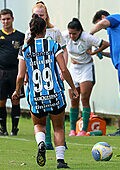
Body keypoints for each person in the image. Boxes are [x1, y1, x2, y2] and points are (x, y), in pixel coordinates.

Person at [12, 14, 78, 168]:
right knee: (59, 127)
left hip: (36, 96)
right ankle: (60, 161)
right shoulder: (53, 45)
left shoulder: (25, 49)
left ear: (31, 30)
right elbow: (63, 69)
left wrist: (17, 91)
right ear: (45, 29)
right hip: (55, 94)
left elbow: (21, 75)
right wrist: (73, 88)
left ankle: (41, 143)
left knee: (39, 125)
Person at [25, 1, 69, 150]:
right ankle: (50, 143)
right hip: (42, 79)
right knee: (52, 110)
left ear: (46, 15)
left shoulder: (55, 31)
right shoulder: (28, 32)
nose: (39, 17)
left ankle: (50, 142)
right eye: (36, 15)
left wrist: (64, 69)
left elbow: (64, 51)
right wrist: (26, 76)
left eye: (41, 15)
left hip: (54, 74)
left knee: (46, 113)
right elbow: (26, 58)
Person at [63, 18, 109, 137]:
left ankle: (84, 130)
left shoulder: (87, 37)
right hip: (73, 68)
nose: (72, 36)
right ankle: (72, 129)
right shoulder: (65, 36)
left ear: (80, 31)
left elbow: (105, 43)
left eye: (74, 33)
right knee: (73, 99)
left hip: (86, 68)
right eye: (70, 33)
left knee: (84, 98)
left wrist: (95, 52)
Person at [0, 9, 25, 136]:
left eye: (8, 19)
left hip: (16, 72)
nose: (6, 21)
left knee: (16, 100)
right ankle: (2, 128)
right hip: (1, 73)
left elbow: (24, 56)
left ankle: (15, 128)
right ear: (0, 20)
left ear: (12, 19)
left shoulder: (20, 36)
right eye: (3, 19)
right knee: (1, 101)